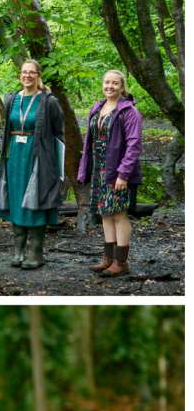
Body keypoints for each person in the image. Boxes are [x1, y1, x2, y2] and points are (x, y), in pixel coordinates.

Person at [0, 60, 65, 270]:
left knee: (36, 197)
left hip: (39, 157)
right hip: (15, 158)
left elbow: (59, 135)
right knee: (16, 199)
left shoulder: (49, 101)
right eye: (24, 72)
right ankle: (18, 251)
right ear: (20, 75)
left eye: (31, 72)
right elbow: (8, 128)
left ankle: (35, 252)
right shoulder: (12, 99)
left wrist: (57, 167)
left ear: (38, 75)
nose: (27, 75)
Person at [77, 69, 143, 277]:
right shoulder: (97, 108)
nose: (110, 86)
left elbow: (134, 145)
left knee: (119, 213)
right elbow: (89, 141)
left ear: (122, 87)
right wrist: (85, 169)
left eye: (115, 83)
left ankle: (121, 262)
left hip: (117, 170)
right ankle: (108, 258)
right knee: (105, 212)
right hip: (99, 169)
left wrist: (123, 174)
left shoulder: (129, 112)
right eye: (107, 82)